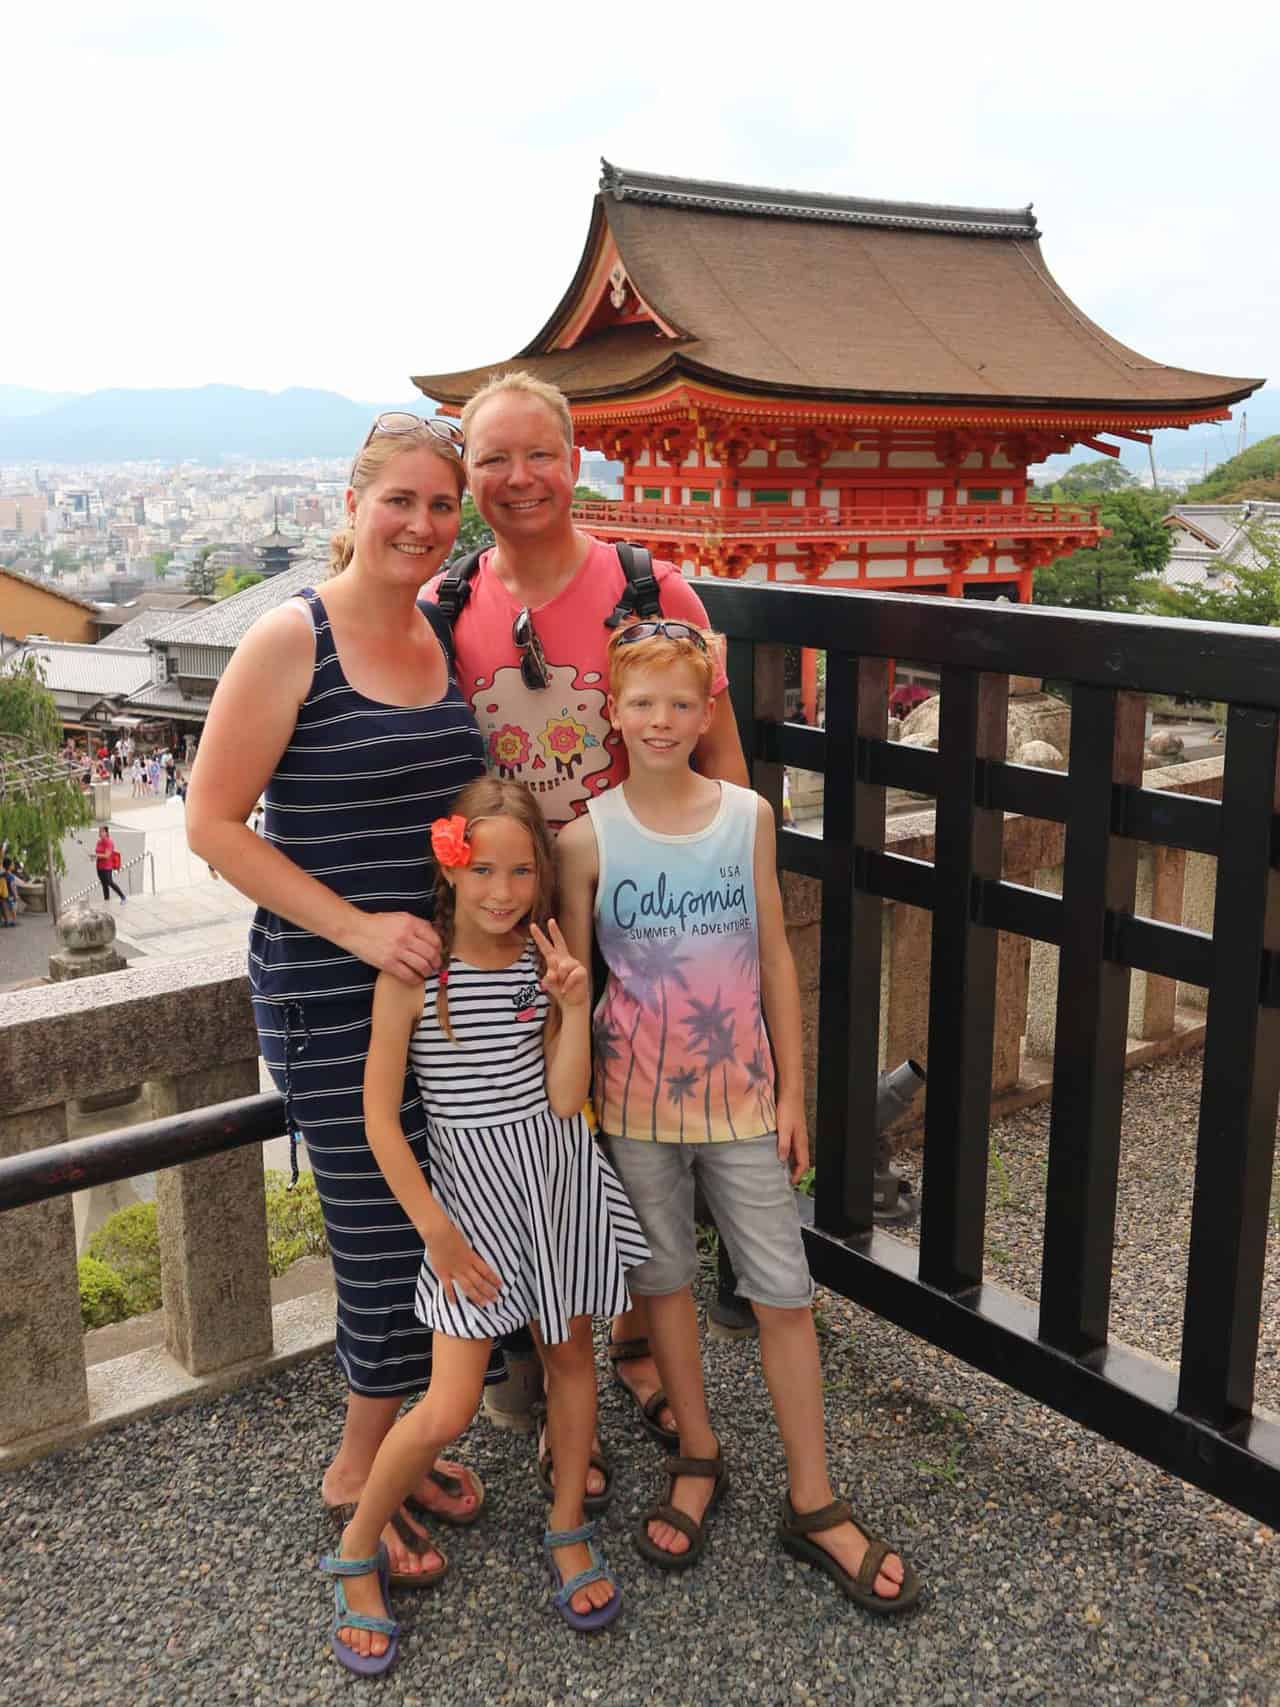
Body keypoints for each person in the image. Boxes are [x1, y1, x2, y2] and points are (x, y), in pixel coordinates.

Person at [556, 621, 922, 1616]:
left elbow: (772, 956)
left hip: (744, 1101)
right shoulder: (583, 837)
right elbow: (577, 985)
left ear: (706, 707)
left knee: (782, 1291)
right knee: (664, 1279)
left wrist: (795, 1092)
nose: (662, 720)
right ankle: (700, 1449)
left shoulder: (746, 816)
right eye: (642, 704)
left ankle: (812, 1495)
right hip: (630, 1105)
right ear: (611, 715)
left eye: (681, 702)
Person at [186, 414, 493, 1591]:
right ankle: (354, 1467)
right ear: (354, 501)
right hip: (328, 984)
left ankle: (402, 1445)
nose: (421, 524)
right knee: (378, 1236)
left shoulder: (434, 633)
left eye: (439, 506)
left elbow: (440, 810)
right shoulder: (289, 635)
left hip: (431, 986)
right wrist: (360, 927)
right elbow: (212, 824)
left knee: (439, 1211)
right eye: (399, 500)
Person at [425, 369, 750, 1457]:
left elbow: (725, 762)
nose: (517, 479)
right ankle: (544, 1343)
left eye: (538, 455)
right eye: (491, 459)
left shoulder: (650, 591)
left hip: (643, 918)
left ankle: (636, 1348)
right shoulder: (450, 606)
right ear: (467, 474)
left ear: (576, 461)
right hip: (516, 923)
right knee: (540, 1132)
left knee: (640, 1136)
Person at [322, 778, 648, 1674]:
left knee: (571, 1360)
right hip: (466, 1209)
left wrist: (573, 1006)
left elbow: (562, 1094)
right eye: (484, 871)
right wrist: (435, 1230)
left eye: (521, 872)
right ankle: (356, 1544)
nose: (502, 892)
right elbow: (380, 1118)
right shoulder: (417, 975)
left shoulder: (541, 967)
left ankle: (567, 1521)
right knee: (449, 1402)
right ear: (452, 866)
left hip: (555, 1184)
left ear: (541, 875)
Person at [93, 826, 127, 905]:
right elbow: (98, 854)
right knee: (104, 884)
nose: (100, 833)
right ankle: (106, 900)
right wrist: (94, 857)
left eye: (102, 831)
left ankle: (123, 897)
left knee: (109, 882)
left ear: (106, 833)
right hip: (99, 866)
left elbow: (107, 855)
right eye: (99, 831)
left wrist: (96, 855)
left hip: (107, 866)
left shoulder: (109, 842)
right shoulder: (99, 842)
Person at [0, 857, 17, 927]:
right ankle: (13, 921)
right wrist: (15, 895)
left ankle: (6, 921)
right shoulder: (11, 876)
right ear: (9, 866)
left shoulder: (1, 875)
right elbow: (12, 886)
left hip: (3, 895)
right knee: (12, 908)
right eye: (12, 864)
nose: (13, 866)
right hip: (10, 895)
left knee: (4, 908)